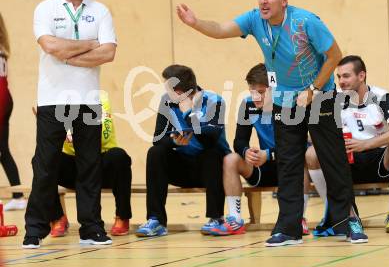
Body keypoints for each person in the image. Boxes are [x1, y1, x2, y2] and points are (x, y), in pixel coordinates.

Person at [177, 0, 367, 246]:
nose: (263, 1)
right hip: (285, 100)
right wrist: (196, 23)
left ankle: (348, 222)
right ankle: (289, 228)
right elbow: (220, 28)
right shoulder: (255, 20)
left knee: (332, 159)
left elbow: (335, 55)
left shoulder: (306, 22)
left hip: (319, 96)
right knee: (288, 163)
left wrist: (312, 89)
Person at [23, 0, 117, 249]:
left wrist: (69, 53)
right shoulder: (45, 9)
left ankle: (91, 228)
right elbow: (49, 46)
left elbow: (109, 53)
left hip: (88, 100)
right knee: (46, 165)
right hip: (52, 99)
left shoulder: (100, 10)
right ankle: (34, 230)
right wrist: (89, 45)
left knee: (90, 165)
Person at [306, 55, 389, 233]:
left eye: (346, 76)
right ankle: (331, 211)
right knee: (311, 154)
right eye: (339, 77)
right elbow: (312, 135)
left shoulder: (381, 96)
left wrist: (365, 144)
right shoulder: (334, 99)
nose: (341, 81)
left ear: (361, 76)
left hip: (378, 161)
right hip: (346, 161)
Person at [207, 63, 312, 236]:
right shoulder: (248, 105)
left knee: (302, 161)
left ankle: (298, 218)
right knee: (230, 159)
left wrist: (269, 154)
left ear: (274, 89)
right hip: (265, 166)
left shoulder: (290, 104)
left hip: (289, 164)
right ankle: (235, 220)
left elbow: (299, 145)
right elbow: (239, 140)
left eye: (261, 92)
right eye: (252, 92)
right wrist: (246, 151)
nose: (255, 97)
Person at [136, 64, 230, 237]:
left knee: (213, 154)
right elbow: (158, 138)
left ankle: (216, 218)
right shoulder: (167, 101)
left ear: (178, 91)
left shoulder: (214, 101)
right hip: (183, 168)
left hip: (211, 171)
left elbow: (211, 139)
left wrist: (188, 113)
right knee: (155, 153)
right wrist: (175, 143)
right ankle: (156, 220)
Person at [49, 92, 132, 237]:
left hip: (101, 163)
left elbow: (102, 137)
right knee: (45, 159)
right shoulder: (58, 100)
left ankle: (122, 216)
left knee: (119, 156)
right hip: (75, 167)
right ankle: (57, 216)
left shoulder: (99, 98)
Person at [0, 13, 27, 211]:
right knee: (3, 152)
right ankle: (17, 195)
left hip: (2, 101)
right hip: (4, 100)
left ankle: (18, 195)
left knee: (3, 151)